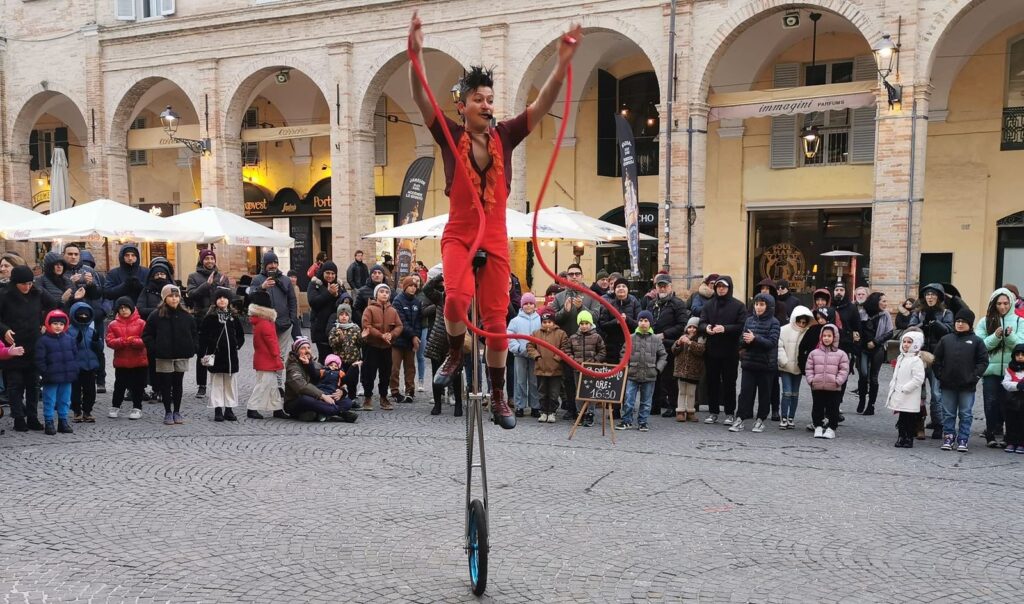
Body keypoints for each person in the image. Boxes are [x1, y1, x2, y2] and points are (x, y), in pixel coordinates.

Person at [409, 11, 582, 430]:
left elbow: (542, 105)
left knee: (496, 323)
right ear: (462, 105)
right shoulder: (450, 136)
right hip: (459, 235)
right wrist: (415, 55)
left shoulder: (505, 135)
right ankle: (455, 352)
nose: (487, 105)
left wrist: (561, 64)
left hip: (495, 237)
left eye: (490, 99)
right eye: (479, 99)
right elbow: (420, 98)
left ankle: (500, 396)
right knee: (454, 299)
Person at [0, 264, 58, 432]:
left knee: (33, 384)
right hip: (13, 346)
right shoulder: (4, 294)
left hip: (34, 343)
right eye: (23, 284)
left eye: (29, 283)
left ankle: (33, 417)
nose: (27, 287)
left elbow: (54, 305)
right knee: (15, 385)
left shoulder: (37, 291)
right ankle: (18, 418)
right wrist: (3, 330)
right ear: (15, 283)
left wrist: (45, 323)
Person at [142, 284, 198, 426]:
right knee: (165, 384)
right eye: (171, 296)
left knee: (178, 384)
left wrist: (193, 347)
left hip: (181, 354)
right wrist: (155, 349)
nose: (174, 299)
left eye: (176, 296)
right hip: (163, 355)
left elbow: (194, 333)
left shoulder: (186, 316)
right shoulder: (156, 315)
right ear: (164, 298)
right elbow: (147, 335)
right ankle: (168, 411)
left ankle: (177, 411)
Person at [932, 309, 987, 452]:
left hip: (967, 385)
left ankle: (963, 438)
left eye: (963, 322)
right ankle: (948, 437)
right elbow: (936, 360)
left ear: (970, 324)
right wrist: (940, 375)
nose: (960, 324)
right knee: (948, 413)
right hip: (947, 384)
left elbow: (983, 362)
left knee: (965, 414)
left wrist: (974, 377)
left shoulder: (977, 341)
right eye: (958, 321)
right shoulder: (946, 339)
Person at [975, 287, 1024, 448]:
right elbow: (980, 346)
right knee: (990, 403)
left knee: (1009, 404)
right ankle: (991, 433)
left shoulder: (1020, 321)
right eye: (999, 303)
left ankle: (1008, 435)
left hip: (1012, 371)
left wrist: (1009, 336)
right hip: (990, 370)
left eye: (1005, 303)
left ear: (1011, 303)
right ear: (993, 304)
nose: (1002, 307)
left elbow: (1021, 346)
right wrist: (995, 337)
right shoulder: (984, 321)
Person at [247, 251, 299, 390]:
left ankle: (277, 384)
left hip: (284, 324)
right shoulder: (257, 279)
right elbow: (250, 296)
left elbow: (292, 300)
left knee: (280, 355)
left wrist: (292, 318)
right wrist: (262, 287)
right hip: (265, 324)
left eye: (275, 262)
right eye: (270, 263)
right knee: (266, 354)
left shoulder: (285, 280)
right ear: (265, 264)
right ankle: (266, 383)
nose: (273, 265)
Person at [908, 283, 955, 439]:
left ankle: (938, 424)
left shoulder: (946, 313)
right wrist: (923, 323)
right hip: (920, 357)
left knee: (936, 393)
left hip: (937, 358)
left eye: (933, 294)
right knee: (918, 393)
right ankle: (918, 425)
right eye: (927, 294)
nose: (930, 297)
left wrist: (935, 322)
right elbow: (910, 330)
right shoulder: (918, 313)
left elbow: (949, 331)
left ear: (939, 297)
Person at [698, 276, 746, 425]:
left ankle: (730, 413)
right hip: (712, 350)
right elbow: (701, 322)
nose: (721, 289)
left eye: (724, 287)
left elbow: (742, 326)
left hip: (730, 351)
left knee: (729, 383)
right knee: (711, 382)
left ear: (729, 288)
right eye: (718, 286)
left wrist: (725, 329)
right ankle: (713, 412)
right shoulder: (709, 305)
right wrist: (706, 327)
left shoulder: (739, 306)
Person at [731, 293, 781, 433]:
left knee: (764, 394)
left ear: (768, 306)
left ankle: (760, 419)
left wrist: (755, 339)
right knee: (745, 393)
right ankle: (740, 418)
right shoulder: (749, 320)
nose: (758, 307)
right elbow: (741, 340)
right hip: (749, 363)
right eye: (757, 304)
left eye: (762, 305)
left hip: (766, 365)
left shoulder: (774, 322)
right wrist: (745, 341)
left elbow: (771, 343)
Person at [186, 249, 231, 398]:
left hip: (220, 317)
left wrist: (224, 287)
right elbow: (191, 294)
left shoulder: (221, 276)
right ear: (201, 260)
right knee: (203, 353)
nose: (210, 261)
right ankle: (202, 385)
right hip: (202, 319)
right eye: (207, 259)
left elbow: (228, 297)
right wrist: (207, 284)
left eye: (212, 258)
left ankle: (219, 383)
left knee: (220, 350)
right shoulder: (193, 276)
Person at [64, 245, 106, 393]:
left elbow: (98, 294)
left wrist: (91, 284)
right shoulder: (61, 271)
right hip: (68, 317)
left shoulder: (89, 271)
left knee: (95, 347)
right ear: (64, 255)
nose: (73, 257)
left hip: (88, 316)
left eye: (76, 254)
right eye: (70, 254)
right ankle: (74, 381)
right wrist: (71, 283)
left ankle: (100, 379)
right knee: (72, 349)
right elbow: (59, 295)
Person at [284, 337, 357, 423]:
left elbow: (329, 379)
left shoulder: (316, 364)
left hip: (317, 397)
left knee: (347, 402)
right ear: (296, 351)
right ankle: (340, 413)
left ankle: (317, 413)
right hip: (296, 400)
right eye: (303, 348)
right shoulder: (293, 367)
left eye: (308, 348)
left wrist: (342, 392)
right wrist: (322, 396)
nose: (307, 351)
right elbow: (301, 387)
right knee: (305, 399)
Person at [616, 310, 667, 432]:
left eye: (646, 321)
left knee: (646, 401)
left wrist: (657, 369)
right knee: (629, 399)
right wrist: (625, 367)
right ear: (637, 322)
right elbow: (623, 354)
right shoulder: (630, 338)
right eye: (641, 320)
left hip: (650, 374)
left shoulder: (656, 339)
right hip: (632, 373)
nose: (643, 323)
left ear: (650, 323)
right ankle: (626, 420)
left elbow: (663, 355)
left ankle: (643, 422)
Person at [199, 288, 245, 422]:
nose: (222, 300)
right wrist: (204, 352)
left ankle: (229, 409)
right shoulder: (210, 318)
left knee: (230, 384)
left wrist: (237, 345)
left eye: (225, 298)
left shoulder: (233, 317)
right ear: (215, 301)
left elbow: (240, 334)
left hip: (231, 357)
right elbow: (203, 337)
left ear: (229, 301)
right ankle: (218, 409)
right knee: (217, 384)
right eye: (219, 298)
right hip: (216, 356)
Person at [422, 273, 464, 417]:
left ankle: (458, 404)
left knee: (456, 375)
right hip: (439, 340)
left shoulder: (462, 300)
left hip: (455, 340)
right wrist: (442, 275)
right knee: (436, 374)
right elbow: (426, 289)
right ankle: (437, 404)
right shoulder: (440, 297)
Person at [647, 274, 689, 418]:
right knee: (654, 376)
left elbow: (682, 325)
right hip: (653, 344)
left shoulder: (678, 304)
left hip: (669, 344)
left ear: (670, 287)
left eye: (665, 286)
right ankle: (655, 405)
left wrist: (664, 334)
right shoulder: (651, 304)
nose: (662, 288)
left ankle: (673, 405)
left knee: (669, 377)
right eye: (660, 286)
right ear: (656, 287)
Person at [35, 310, 78, 435]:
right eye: (55, 323)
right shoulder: (43, 341)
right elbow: (39, 359)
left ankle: (63, 421)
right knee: (49, 400)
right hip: (51, 377)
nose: (58, 326)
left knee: (65, 400)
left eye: (61, 324)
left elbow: (75, 356)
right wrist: (45, 372)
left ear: (65, 325)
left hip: (67, 376)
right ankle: (49, 422)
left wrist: (74, 369)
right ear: (48, 324)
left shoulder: (69, 339)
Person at [137, 257, 174, 401]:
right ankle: (156, 388)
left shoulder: (173, 290)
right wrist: (160, 311)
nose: (160, 277)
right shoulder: (146, 290)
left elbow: (179, 307)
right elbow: (140, 309)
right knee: (153, 362)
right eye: (157, 274)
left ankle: (169, 389)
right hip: (153, 331)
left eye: (162, 274)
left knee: (170, 362)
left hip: (171, 331)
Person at [361, 283, 402, 410]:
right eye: (382, 292)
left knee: (385, 373)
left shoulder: (393, 310)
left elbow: (399, 326)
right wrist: (380, 335)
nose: (384, 294)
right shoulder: (369, 309)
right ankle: (368, 397)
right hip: (371, 346)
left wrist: (392, 334)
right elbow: (366, 325)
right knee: (369, 373)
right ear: (376, 294)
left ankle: (383, 397)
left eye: (387, 292)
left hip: (386, 347)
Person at [105, 297, 147, 420]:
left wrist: (135, 341)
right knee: (119, 385)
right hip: (121, 361)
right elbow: (109, 341)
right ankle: (115, 406)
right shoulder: (113, 324)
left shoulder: (141, 323)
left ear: (131, 308)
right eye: (121, 308)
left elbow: (146, 340)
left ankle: (137, 407)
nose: (124, 310)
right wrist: (122, 341)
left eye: (126, 307)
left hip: (139, 361)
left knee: (138, 386)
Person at [246, 290, 286, 420]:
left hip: (262, 358)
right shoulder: (266, 322)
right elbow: (272, 342)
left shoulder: (260, 321)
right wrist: (277, 356)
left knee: (272, 385)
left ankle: (277, 408)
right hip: (267, 359)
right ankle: (252, 407)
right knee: (263, 385)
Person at [805, 324, 848, 439]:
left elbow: (844, 370)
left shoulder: (841, 354)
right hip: (817, 386)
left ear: (835, 337)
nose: (826, 338)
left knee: (833, 408)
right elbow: (809, 368)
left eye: (829, 336)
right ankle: (818, 426)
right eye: (824, 336)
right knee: (817, 407)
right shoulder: (814, 353)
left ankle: (831, 428)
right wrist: (811, 380)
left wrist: (838, 381)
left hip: (834, 387)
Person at [885, 331, 926, 448]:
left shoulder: (916, 360)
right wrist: (893, 385)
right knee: (902, 418)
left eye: (909, 342)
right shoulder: (901, 357)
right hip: (900, 393)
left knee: (909, 418)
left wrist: (906, 388)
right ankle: (901, 436)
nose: (906, 344)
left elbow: (918, 378)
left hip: (909, 394)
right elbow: (896, 374)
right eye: (904, 341)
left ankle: (908, 438)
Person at [565, 309, 606, 427]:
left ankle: (590, 413)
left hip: (591, 369)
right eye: (581, 323)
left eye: (586, 323)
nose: (584, 326)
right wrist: (574, 361)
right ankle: (580, 413)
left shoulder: (596, 337)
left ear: (590, 324)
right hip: (577, 369)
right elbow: (567, 351)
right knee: (579, 391)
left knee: (590, 391)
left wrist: (594, 361)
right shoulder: (573, 337)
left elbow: (602, 351)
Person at [527, 309, 568, 424]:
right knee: (542, 391)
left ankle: (552, 412)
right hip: (541, 368)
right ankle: (543, 411)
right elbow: (530, 346)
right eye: (544, 322)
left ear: (553, 322)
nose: (547, 324)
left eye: (549, 322)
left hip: (556, 369)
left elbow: (565, 347)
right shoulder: (536, 333)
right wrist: (537, 357)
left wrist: (557, 358)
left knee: (554, 392)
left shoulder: (561, 333)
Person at [856, 292, 895, 416]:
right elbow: (857, 329)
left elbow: (890, 332)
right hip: (863, 348)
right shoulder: (862, 313)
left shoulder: (885, 314)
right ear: (875, 301)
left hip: (878, 348)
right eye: (883, 301)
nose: (885, 304)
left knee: (873, 378)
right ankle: (862, 399)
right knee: (863, 375)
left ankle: (871, 405)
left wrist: (875, 342)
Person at [777, 305, 813, 429]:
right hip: (786, 366)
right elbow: (779, 346)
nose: (802, 324)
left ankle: (791, 417)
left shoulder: (808, 332)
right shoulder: (784, 330)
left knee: (795, 393)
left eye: (804, 322)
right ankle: (784, 417)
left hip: (798, 367)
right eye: (799, 321)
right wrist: (783, 361)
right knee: (786, 392)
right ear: (794, 319)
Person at [507, 292, 542, 418]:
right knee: (520, 381)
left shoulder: (540, 319)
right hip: (520, 354)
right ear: (522, 305)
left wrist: (538, 350)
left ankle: (535, 406)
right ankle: (520, 406)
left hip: (535, 355)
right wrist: (517, 348)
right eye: (526, 303)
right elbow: (510, 336)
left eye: (531, 303)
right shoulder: (515, 321)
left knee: (534, 381)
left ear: (534, 305)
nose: (528, 306)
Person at [390, 276, 422, 404]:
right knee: (395, 368)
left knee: (410, 368)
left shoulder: (417, 302)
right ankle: (394, 391)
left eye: (415, 286)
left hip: (410, 341)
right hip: (398, 340)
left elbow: (418, 322)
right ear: (405, 287)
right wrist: (413, 336)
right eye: (410, 286)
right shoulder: (397, 301)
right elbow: (401, 322)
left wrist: (416, 336)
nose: (413, 288)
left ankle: (410, 391)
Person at [68, 301, 102, 423]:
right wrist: (75, 342)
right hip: (75, 367)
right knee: (75, 392)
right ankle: (77, 411)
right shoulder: (69, 331)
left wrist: (96, 341)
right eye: (80, 315)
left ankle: (87, 411)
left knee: (90, 391)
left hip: (90, 366)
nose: (83, 317)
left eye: (85, 315)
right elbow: (67, 349)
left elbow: (99, 349)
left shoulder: (91, 331)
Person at [307, 260, 344, 361]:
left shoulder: (339, 285)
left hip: (335, 328)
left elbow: (343, 304)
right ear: (322, 272)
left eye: (333, 273)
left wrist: (338, 296)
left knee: (336, 360)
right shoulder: (314, 284)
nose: (330, 276)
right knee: (324, 359)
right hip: (320, 328)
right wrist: (328, 293)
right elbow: (313, 302)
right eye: (327, 273)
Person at [598, 277, 640, 365]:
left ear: (628, 289)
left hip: (630, 345)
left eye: (624, 286)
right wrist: (616, 321)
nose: (621, 288)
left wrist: (627, 320)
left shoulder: (635, 303)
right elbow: (602, 325)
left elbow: (639, 324)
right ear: (614, 290)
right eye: (618, 286)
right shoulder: (609, 305)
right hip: (612, 347)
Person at [328, 302, 362, 407]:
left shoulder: (355, 328)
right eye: (341, 314)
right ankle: (340, 397)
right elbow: (331, 344)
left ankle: (352, 398)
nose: (344, 317)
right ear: (338, 316)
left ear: (349, 316)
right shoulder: (335, 329)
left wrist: (363, 338)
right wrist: (340, 339)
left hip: (353, 360)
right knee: (340, 380)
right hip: (340, 361)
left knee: (353, 380)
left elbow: (360, 344)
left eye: (346, 315)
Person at [671, 316, 705, 422]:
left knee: (691, 392)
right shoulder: (682, 337)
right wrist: (678, 344)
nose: (692, 329)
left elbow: (701, 350)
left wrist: (690, 343)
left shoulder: (700, 339)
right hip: (681, 370)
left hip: (694, 371)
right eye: (690, 327)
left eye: (694, 327)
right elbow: (674, 351)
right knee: (681, 391)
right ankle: (680, 411)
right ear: (686, 328)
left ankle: (690, 411)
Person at [1001, 343, 1024, 453]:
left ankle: (1021, 443)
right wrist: (1017, 385)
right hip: (1012, 400)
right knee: (1011, 421)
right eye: (1017, 355)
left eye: (1023, 355)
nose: (1020, 357)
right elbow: (1005, 383)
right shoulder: (1010, 369)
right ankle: (1011, 442)